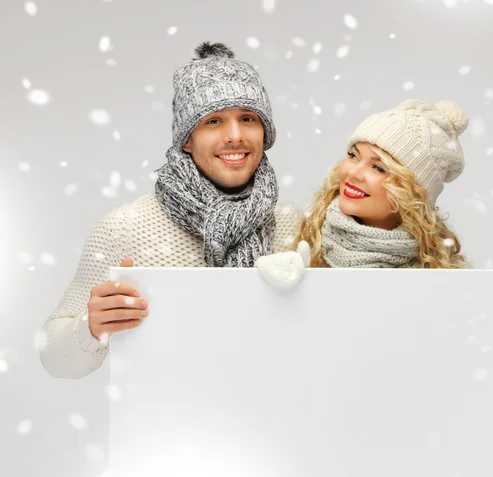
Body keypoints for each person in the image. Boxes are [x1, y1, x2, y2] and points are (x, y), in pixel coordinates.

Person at [39, 41, 302, 379]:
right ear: (187, 139)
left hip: (272, 415)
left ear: (264, 132)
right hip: (166, 424)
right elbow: (53, 359)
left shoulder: (291, 225)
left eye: (248, 118)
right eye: (214, 121)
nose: (235, 136)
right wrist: (90, 327)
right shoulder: (125, 227)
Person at [256, 99, 493, 353]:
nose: (354, 173)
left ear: (411, 192)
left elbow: (465, 360)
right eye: (353, 155)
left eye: (378, 167)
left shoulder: (442, 274)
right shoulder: (291, 235)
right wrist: (271, 294)